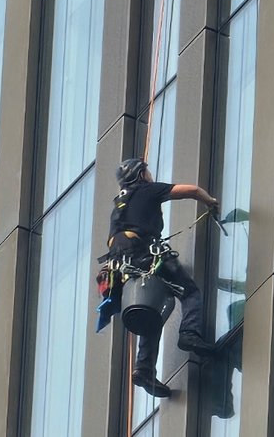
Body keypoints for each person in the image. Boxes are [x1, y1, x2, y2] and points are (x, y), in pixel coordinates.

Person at [106, 157, 219, 397]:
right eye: (146, 171)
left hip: (122, 264)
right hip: (144, 253)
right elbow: (191, 190)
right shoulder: (146, 189)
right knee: (189, 292)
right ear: (140, 174)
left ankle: (144, 368)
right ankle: (189, 333)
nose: (150, 175)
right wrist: (209, 201)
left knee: (151, 310)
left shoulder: (120, 203)